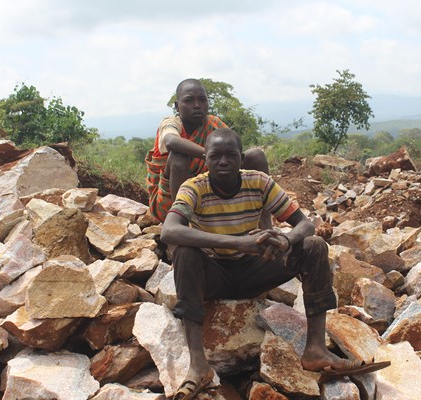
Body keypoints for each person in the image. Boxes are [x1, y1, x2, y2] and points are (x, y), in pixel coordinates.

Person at [161, 128, 389, 399]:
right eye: (215, 156)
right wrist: (238, 243)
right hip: (214, 277)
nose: (223, 161)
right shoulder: (194, 187)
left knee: (315, 247)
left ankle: (315, 350)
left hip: (254, 272)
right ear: (206, 160)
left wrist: (287, 241)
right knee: (185, 253)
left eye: (231, 155)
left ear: (241, 158)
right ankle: (199, 366)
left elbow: (305, 224)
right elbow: (169, 231)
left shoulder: (258, 182)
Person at [145, 78, 270, 226]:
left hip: (208, 195)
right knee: (179, 157)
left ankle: (265, 226)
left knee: (256, 156)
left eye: (202, 100)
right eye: (189, 100)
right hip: (167, 203)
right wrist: (210, 156)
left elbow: (235, 149)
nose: (197, 105)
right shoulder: (171, 123)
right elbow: (171, 142)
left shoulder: (214, 124)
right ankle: (180, 229)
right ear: (177, 106)